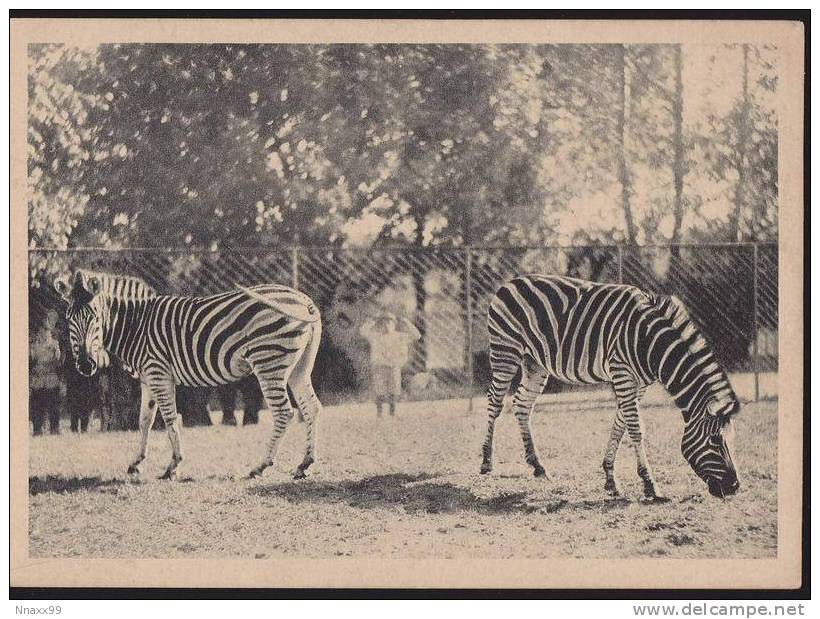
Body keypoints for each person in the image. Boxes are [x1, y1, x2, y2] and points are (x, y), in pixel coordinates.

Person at [359, 310, 421, 417]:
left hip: (394, 367)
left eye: (389, 322)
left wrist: (407, 322)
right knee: (379, 391)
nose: (387, 325)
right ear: (381, 324)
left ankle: (392, 413)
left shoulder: (400, 336)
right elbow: (363, 332)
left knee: (394, 391)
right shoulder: (375, 336)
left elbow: (417, 336)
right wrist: (372, 321)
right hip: (379, 367)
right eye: (384, 322)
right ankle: (379, 414)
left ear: (394, 324)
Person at [29, 310, 64, 435]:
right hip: (38, 380)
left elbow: (59, 362)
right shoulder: (34, 345)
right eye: (43, 331)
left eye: (47, 332)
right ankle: (37, 429)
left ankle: (54, 429)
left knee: (54, 406)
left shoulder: (55, 344)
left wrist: (56, 350)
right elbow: (31, 360)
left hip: (51, 379)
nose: (44, 334)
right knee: (37, 406)